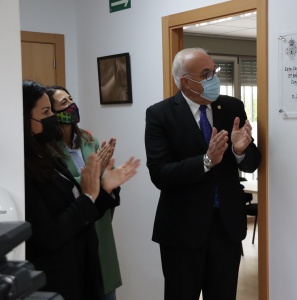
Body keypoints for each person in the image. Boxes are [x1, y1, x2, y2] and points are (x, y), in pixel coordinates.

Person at [145, 48, 261, 300]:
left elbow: (252, 163)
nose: (213, 78)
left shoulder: (232, 106)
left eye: (214, 71)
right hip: (182, 231)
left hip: (226, 227)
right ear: (186, 81)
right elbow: (160, 173)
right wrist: (206, 162)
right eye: (206, 73)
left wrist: (241, 151)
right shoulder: (160, 114)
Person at [22, 80, 140, 300]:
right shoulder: (24, 167)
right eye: (46, 111)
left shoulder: (48, 157)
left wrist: (104, 187)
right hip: (58, 276)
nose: (51, 118)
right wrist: (89, 190)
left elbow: (80, 197)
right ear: (24, 118)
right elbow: (49, 234)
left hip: (85, 259)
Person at [46, 85, 122, 300]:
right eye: (64, 103)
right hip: (73, 225)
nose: (71, 105)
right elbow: (61, 185)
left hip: (100, 224)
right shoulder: (48, 149)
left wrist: (107, 175)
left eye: (71, 99)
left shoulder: (90, 140)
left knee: (106, 288)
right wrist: (94, 177)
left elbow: (107, 175)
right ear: (51, 113)